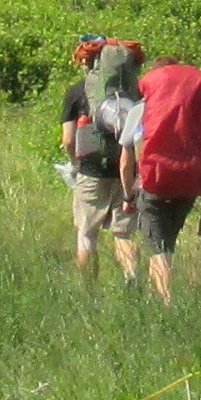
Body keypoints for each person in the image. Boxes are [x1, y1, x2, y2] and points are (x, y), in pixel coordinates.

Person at [124, 54, 201, 301]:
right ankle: (164, 295)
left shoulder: (140, 110)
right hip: (186, 187)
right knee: (168, 246)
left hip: (152, 184)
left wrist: (128, 195)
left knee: (158, 250)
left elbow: (126, 160)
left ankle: (166, 303)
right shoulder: (192, 115)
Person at [58, 38, 138, 279]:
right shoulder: (135, 92)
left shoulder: (76, 91)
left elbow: (68, 140)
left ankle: (88, 291)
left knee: (86, 234)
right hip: (126, 172)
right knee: (123, 234)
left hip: (90, 171)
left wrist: (75, 164)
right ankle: (131, 274)